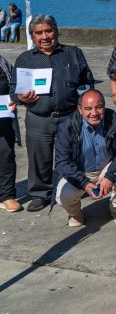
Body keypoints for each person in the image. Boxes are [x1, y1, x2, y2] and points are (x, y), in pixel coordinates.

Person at [15, 15, 94, 212]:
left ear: (56, 31)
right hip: (38, 118)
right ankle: (41, 194)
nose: (45, 36)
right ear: (32, 36)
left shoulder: (73, 53)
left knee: (72, 155)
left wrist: (83, 104)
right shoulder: (25, 59)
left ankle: (73, 187)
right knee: (38, 158)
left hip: (69, 115)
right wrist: (21, 98)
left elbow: (87, 80)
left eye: (48, 31)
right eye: (38, 33)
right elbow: (13, 89)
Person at [52, 90, 116, 226]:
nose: (94, 113)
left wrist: (109, 176)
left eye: (99, 107)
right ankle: (75, 214)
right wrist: (84, 183)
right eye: (88, 108)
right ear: (80, 109)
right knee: (63, 195)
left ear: (104, 106)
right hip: (80, 171)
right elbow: (62, 162)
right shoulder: (67, 126)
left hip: (107, 167)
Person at [0, 56, 20, 212]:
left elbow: (16, 83)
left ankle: (7, 196)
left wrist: (16, 99)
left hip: (4, 118)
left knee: (6, 155)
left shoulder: (3, 61)